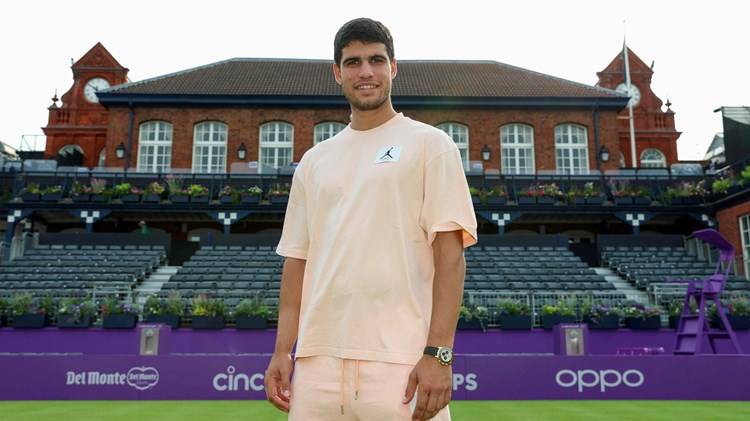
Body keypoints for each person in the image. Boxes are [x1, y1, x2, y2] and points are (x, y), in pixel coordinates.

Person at [264, 17, 477, 421]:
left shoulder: (432, 145)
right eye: (353, 62)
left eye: (376, 60)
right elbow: (297, 262)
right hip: (315, 365)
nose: (366, 72)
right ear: (337, 72)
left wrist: (439, 354)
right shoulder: (313, 161)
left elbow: (451, 258)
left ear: (393, 67)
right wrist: (282, 349)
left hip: (401, 364)